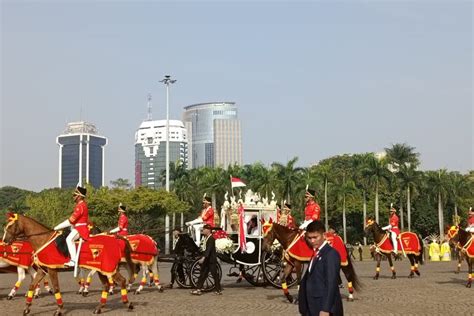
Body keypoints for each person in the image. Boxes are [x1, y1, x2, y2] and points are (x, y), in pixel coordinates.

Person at [298, 220, 343, 316]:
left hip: (323, 308)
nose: (312, 241)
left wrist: (326, 309)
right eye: (309, 238)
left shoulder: (331, 254)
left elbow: (331, 283)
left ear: (324, 235)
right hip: (311, 307)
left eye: (315, 237)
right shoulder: (316, 253)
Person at [53, 185, 89, 267]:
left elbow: (71, 221)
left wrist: (56, 227)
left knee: (69, 239)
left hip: (80, 229)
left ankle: (73, 261)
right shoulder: (81, 205)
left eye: (75, 195)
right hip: (77, 227)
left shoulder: (80, 206)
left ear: (79, 196)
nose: (73, 197)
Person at [191, 224, 222, 296]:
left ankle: (218, 290)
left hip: (211, 260)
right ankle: (198, 289)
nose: (203, 231)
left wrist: (203, 257)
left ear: (208, 230)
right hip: (207, 259)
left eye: (204, 229)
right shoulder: (206, 238)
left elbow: (209, 249)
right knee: (203, 274)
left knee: (214, 275)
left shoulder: (211, 238)